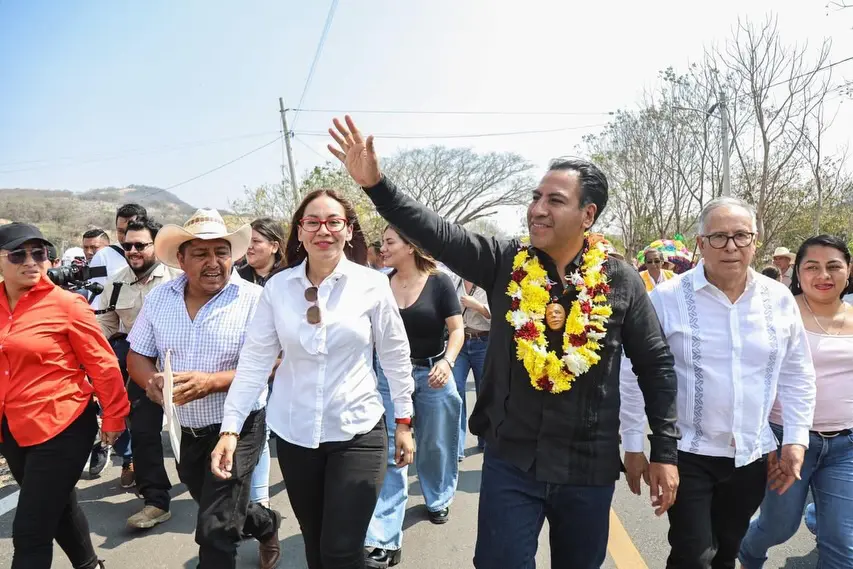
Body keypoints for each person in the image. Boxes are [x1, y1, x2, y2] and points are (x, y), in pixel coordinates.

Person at [327, 115, 680, 569]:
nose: (537, 209)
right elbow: (436, 231)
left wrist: (664, 452)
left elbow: (656, 366)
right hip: (512, 461)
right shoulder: (505, 262)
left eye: (555, 200)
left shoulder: (620, 279)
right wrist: (377, 186)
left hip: (586, 467)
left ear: (587, 215)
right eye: (535, 197)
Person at [211, 190, 415, 569]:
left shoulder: (371, 285)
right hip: (296, 434)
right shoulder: (277, 288)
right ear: (300, 232)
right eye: (313, 222)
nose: (324, 230)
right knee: (317, 546)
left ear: (348, 230)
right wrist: (230, 429)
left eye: (334, 221)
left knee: (341, 549)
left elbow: (394, 356)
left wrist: (403, 421)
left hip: (358, 431)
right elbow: (255, 362)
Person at [620, 197, 817, 569]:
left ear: (755, 241)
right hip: (687, 453)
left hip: (751, 455)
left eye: (742, 236)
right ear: (700, 244)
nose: (731, 246)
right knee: (693, 556)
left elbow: (797, 374)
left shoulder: (778, 300)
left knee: (727, 552)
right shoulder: (666, 299)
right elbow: (632, 373)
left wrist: (795, 439)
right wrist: (633, 445)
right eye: (719, 237)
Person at [126, 209, 281, 569]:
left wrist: (212, 382)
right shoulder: (160, 299)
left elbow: (271, 361)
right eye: (201, 254)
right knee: (220, 506)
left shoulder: (254, 300)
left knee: (214, 528)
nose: (214, 263)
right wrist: (152, 381)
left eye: (221, 253)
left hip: (239, 426)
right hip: (185, 432)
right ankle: (266, 523)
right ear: (180, 259)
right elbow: (137, 355)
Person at [0, 222, 129, 569]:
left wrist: (115, 417)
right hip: (13, 429)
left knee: (29, 531)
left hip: (63, 426)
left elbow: (103, 365)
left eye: (39, 253)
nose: (31, 261)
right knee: (58, 506)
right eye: (18, 254)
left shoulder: (66, 305)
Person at [739, 235, 853, 569]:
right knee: (778, 526)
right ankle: (747, 553)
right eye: (812, 267)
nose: (824, 276)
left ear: (849, 270)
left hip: (845, 446)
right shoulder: (775, 315)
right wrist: (763, 439)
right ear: (798, 273)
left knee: (842, 546)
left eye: (833, 266)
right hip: (785, 439)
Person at [365, 225, 465, 567]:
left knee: (436, 444)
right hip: (390, 378)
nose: (383, 247)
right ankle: (383, 537)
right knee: (394, 450)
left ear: (411, 246)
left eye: (390, 241)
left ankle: (437, 498)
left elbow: (457, 330)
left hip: (434, 373)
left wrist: (448, 363)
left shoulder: (439, 282)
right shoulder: (378, 283)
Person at [97, 217, 183, 528]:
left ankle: (208, 482)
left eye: (140, 245)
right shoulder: (116, 284)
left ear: (155, 246)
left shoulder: (179, 276)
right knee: (145, 434)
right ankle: (156, 500)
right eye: (127, 246)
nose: (133, 251)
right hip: (141, 367)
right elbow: (107, 324)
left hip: (186, 366)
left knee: (196, 436)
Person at [237, 216, 286, 509]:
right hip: (251, 366)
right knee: (259, 430)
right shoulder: (237, 276)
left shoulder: (291, 277)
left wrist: (281, 358)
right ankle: (259, 502)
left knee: (276, 428)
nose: (249, 248)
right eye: (248, 242)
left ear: (274, 246)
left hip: (286, 366)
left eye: (255, 242)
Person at [452, 278, 491, 455]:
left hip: (483, 341)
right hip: (459, 343)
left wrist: (478, 306)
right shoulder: (454, 282)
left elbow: (497, 315)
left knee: (484, 393)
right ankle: (456, 447)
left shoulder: (487, 282)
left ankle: (485, 439)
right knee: (455, 392)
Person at [238, 217, 285, 286]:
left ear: (274, 247)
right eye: (247, 241)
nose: (249, 246)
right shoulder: (237, 278)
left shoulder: (288, 278)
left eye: (256, 241)